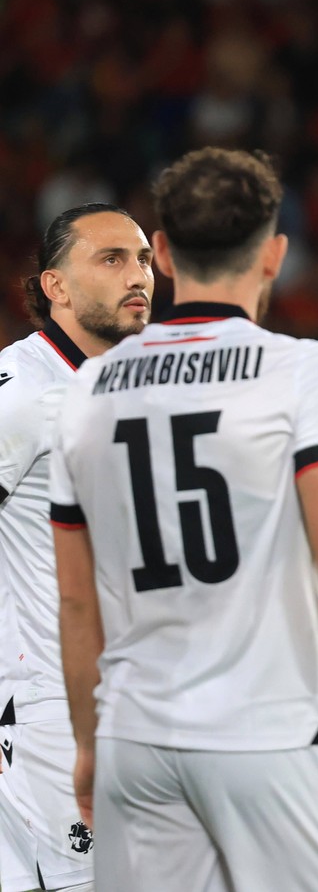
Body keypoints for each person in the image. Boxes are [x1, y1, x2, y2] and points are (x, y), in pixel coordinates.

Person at [48, 148, 318, 891]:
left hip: (136, 737)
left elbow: (75, 598)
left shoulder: (89, 388)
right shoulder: (300, 370)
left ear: (162, 254)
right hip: (268, 731)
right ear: (274, 255)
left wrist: (89, 744)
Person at [0, 203, 154, 892]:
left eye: (143, 258)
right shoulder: (24, 391)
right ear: (55, 285)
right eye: (111, 259)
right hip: (50, 712)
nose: (137, 275)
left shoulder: (137, 388)